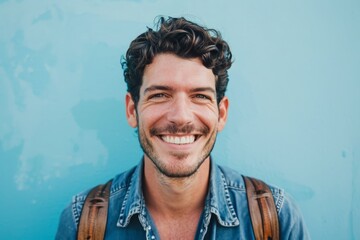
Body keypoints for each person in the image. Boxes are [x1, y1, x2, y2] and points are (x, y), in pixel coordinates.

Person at [56, 16, 310, 239]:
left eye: (200, 96)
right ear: (132, 110)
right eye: (160, 95)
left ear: (221, 114)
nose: (180, 117)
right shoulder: (82, 222)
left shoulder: (277, 217)